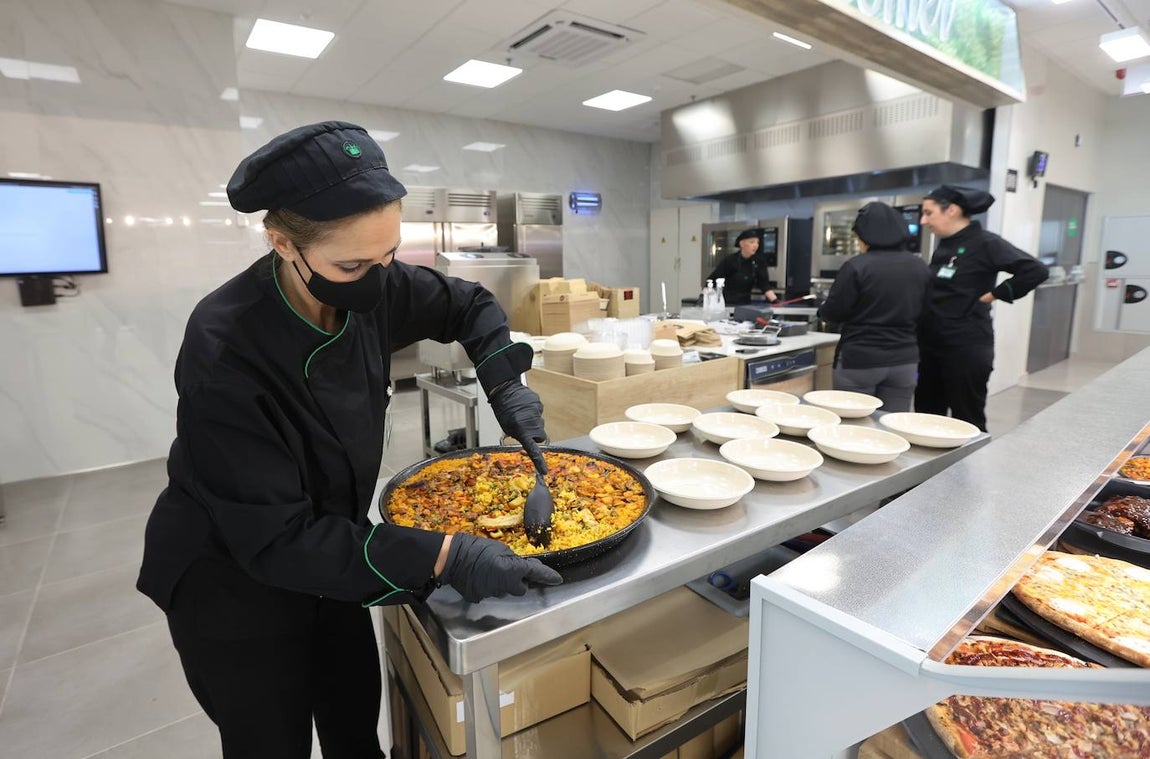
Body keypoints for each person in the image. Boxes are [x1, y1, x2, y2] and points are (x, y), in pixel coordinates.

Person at [136, 121, 562, 759]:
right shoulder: (225, 350)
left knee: (354, 728)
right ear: (282, 243)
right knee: (268, 744)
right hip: (231, 577)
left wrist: (506, 384)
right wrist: (449, 557)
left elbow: (469, 305)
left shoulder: (373, 284)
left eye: (388, 255)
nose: (378, 278)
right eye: (353, 264)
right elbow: (276, 539)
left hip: (334, 545)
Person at [916, 184, 1049, 431]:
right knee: (927, 415)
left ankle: (967, 469)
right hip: (933, 345)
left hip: (965, 346)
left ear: (952, 210)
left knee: (966, 420)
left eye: (929, 213)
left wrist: (996, 294)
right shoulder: (945, 245)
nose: (923, 221)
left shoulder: (986, 243)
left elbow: (1036, 270)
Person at [817, 202, 931, 412]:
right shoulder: (920, 266)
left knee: (854, 426)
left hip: (860, 360)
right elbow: (927, 313)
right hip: (904, 361)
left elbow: (834, 313)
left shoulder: (857, 266)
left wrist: (822, 309)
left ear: (865, 236)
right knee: (893, 426)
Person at [706, 228, 779, 306]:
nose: (755, 245)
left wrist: (775, 300)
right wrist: (706, 300)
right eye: (752, 242)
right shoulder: (730, 260)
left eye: (757, 242)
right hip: (727, 303)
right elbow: (712, 280)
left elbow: (764, 285)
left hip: (745, 303)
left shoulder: (759, 262)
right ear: (742, 244)